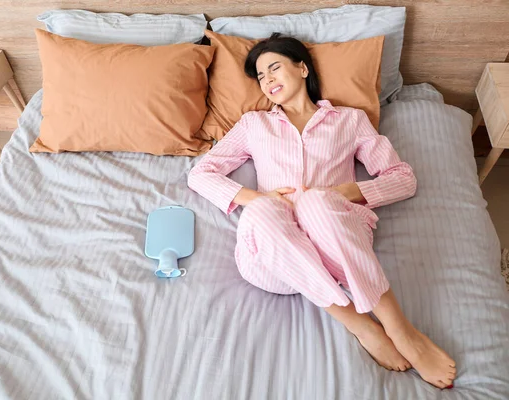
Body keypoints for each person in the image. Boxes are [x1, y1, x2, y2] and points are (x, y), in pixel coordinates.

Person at [188, 33, 456, 389]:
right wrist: (257, 198)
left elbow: (403, 178)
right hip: (272, 261)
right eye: (261, 76)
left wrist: (353, 191)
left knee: (316, 200)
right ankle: (360, 324)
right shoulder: (255, 125)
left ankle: (400, 328)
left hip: (337, 248)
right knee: (262, 213)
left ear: (301, 68)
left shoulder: (350, 120)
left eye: (274, 68)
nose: (267, 81)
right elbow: (201, 173)